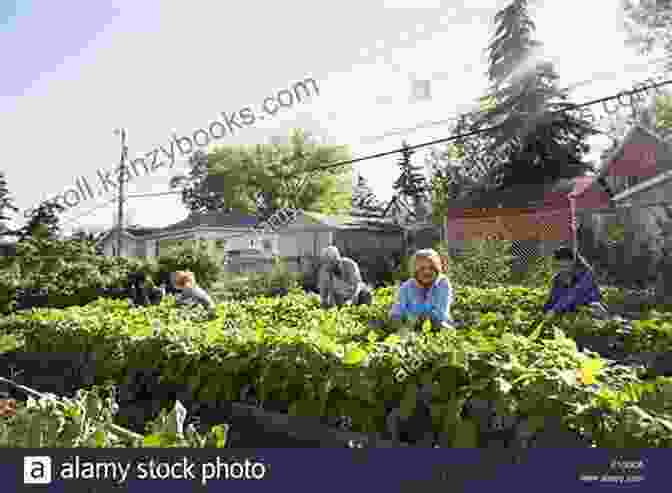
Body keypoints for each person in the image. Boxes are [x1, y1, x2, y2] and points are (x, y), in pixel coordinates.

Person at [389, 249, 454, 331]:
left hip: (436, 325)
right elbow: (396, 312)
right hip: (410, 326)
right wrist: (401, 322)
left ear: (437, 269)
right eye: (422, 268)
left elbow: (441, 315)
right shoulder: (406, 287)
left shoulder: (443, 283)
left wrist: (416, 318)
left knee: (444, 327)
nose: (427, 272)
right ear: (415, 271)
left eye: (431, 267)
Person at [543, 246, 609, 319]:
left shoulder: (585, 274)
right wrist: (545, 309)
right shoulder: (558, 279)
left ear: (572, 262)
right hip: (571, 310)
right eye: (560, 267)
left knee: (595, 308)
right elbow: (553, 297)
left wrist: (555, 310)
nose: (563, 270)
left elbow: (574, 293)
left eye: (565, 266)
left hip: (590, 307)